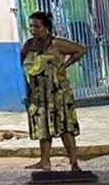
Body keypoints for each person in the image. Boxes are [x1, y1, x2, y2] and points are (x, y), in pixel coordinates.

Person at [20, 11, 85, 171]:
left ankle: (73, 161)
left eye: (37, 26)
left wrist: (64, 66)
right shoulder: (28, 46)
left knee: (64, 126)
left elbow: (80, 50)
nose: (33, 30)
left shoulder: (56, 43)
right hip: (38, 93)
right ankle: (44, 160)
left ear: (46, 27)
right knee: (43, 126)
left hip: (57, 92)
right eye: (31, 26)